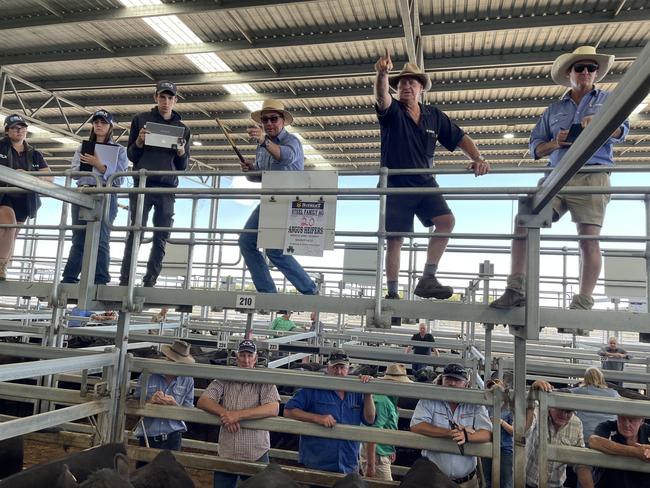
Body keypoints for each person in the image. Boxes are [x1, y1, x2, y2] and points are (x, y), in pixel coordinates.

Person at [490, 46, 629, 313]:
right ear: (570, 74)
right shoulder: (552, 110)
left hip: (593, 174)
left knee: (588, 238)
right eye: (580, 68)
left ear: (597, 73)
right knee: (524, 220)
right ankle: (515, 288)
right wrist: (554, 143)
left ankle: (583, 303)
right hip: (556, 175)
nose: (586, 72)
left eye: (591, 67)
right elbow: (534, 147)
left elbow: (622, 131)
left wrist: (600, 124)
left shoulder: (610, 100)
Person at [373, 50, 490, 305]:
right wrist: (382, 74)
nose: (406, 86)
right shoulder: (392, 112)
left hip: (425, 181)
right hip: (395, 183)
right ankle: (392, 292)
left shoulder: (433, 116)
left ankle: (428, 278)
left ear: (421, 88)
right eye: (402, 82)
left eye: (412, 82)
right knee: (395, 238)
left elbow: (459, 137)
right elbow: (382, 97)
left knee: (446, 221)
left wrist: (477, 158)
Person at [238, 100, 318, 296]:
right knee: (247, 242)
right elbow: (260, 176)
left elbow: (286, 157)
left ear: (283, 121)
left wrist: (264, 141)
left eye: (274, 118)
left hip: (287, 201)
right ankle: (269, 291)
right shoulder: (262, 146)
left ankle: (308, 289)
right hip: (268, 200)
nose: (269, 123)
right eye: (265, 120)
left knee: (273, 251)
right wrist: (250, 170)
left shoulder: (292, 141)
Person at [119, 80, 190, 287]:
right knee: (136, 231)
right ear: (155, 97)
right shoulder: (140, 120)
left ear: (175, 100)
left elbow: (183, 166)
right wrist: (139, 142)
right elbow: (132, 155)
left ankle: (151, 279)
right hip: (143, 185)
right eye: (162, 97)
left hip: (167, 187)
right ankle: (126, 278)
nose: (166, 101)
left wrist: (181, 152)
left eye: (170, 98)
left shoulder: (182, 129)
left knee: (162, 234)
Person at [197, 339, 280, 488]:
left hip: (256, 451)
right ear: (236, 357)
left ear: (255, 358)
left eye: (249, 356)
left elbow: (273, 408)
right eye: (242, 355)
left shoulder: (264, 380)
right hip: (228, 450)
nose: (246, 360)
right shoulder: (225, 377)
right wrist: (226, 413)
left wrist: (237, 415)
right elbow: (204, 400)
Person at [61, 109, 128, 285]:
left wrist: (98, 165)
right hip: (84, 191)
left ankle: (100, 279)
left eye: (103, 122)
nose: (99, 125)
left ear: (110, 126)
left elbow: (120, 178)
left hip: (106, 194)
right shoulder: (82, 148)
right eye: (96, 122)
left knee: (102, 237)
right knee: (79, 237)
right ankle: (69, 278)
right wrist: (84, 167)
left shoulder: (119, 150)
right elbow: (74, 173)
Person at [284, 349, 375, 474]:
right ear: (327, 368)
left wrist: (368, 393)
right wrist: (316, 418)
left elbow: (370, 419)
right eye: (335, 367)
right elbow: (288, 411)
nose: (339, 372)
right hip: (317, 464)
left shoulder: (357, 390)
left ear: (348, 369)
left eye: (342, 367)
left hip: (348, 463)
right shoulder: (314, 388)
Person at [410, 363, 492, 488]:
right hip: (434, 480)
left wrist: (466, 436)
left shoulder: (475, 403)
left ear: (466, 383)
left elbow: (487, 433)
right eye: (448, 379)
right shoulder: (430, 399)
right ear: (442, 380)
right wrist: (450, 433)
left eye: (457, 380)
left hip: (466, 481)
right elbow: (416, 425)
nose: (452, 383)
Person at [0, 114, 52, 280]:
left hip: (24, 199)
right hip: (3, 195)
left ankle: (4, 266)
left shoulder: (34, 153)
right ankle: (1, 267)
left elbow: (50, 176)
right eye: (15, 127)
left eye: (22, 127)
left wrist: (28, 174)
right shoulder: (0, 146)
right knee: (9, 225)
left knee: (11, 234)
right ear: (7, 130)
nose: (19, 130)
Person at [133, 340, 195, 466]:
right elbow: (134, 404)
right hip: (148, 435)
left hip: (173, 436)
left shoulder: (188, 379)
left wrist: (174, 405)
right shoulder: (148, 374)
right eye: (173, 361)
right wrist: (150, 402)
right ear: (167, 358)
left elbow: (189, 411)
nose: (175, 365)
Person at [525, 380, 594, 488]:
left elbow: (579, 461)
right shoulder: (538, 411)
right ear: (550, 405)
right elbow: (524, 428)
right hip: (528, 483)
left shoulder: (576, 424)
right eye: (560, 409)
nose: (563, 414)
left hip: (556, 485)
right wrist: (532, 394)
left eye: (568, 411)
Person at [360, 363, 411, 481]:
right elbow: (372, 433)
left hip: (381, 452)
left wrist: (390, 449)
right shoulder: (382, 401)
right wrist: (371, 466)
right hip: (377, 456)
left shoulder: (390, 398)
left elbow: (387, 426)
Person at [589, 414, 650, 487]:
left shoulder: (647, 430)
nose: (626, 424)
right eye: (622, 418)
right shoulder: (607, 426)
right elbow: (594, 441)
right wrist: (635, 452)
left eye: (632, 420)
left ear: (642, 421)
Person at [570, 366, 619, 445]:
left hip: (583, 436)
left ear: (585, 379)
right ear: (601, 378)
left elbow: (562, 392)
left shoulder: (576, 392)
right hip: (606, 439)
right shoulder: (614, 394)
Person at [482, 378, 513, 488]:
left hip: (504, 448)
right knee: (487, 480)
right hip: (487, 444)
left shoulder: (509, 408)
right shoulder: (485, 406)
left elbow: (514, 431)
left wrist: (501, 422)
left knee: (506, 481)